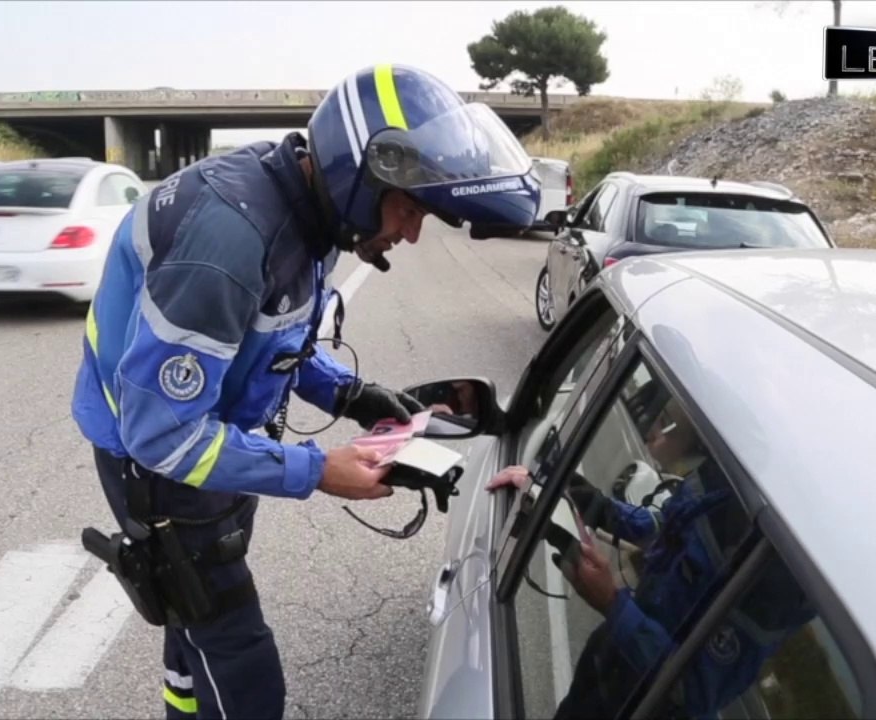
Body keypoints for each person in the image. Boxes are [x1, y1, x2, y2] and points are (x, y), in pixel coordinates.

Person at [71, 63, 541, 720]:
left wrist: (352, 395)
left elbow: (274, 334)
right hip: (154, 454)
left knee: (191, 625)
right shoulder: (229, 243)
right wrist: (319, 470)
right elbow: (163, 435)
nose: (410, 233)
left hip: (215, 437)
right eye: (409, 209)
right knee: (243, 668)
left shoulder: (308, 212)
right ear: (360, 175)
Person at [486, 403, 814, 719]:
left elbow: (695, 690)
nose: (653, 431)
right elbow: (664, 523)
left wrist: (614, 604)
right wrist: (578, 497)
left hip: (641, 704)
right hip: (605, 665)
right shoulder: (725, 477)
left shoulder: (778, 570)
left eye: (665, 421)